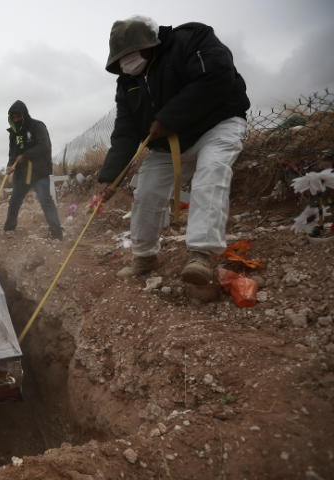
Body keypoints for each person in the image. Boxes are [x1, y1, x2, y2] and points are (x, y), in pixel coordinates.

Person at [97, 15, 250, 285]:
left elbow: (215, 78)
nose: (126, 62)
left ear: (150, 44)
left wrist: (167, 119)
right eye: (121, 58)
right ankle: (145, 256)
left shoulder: (192, 39)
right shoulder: (127, 81)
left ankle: (201, 254)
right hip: (168, 143)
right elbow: (125, 131)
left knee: (211, 175)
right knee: (146, 191)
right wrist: (110, 177)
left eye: (130, 54)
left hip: (215, 126)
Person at [4, 101, 63, 240]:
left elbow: (44, 145)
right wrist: (10, 165)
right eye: (14, 118)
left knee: (45, 199)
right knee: (14, 202)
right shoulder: (13, 133)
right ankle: (9, 230)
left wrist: (25, 156)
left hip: (39, 172)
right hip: (22, 174)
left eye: (19, 117)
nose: (17, 120)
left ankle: (56, 231)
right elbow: (12, 153)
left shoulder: (37, 126)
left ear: (24, 115)